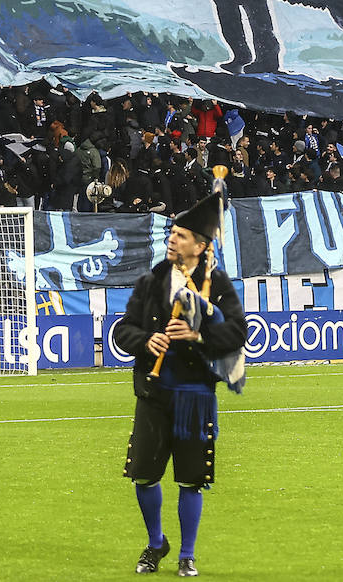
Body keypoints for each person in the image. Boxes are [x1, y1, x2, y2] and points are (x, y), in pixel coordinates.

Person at [115, 193, 247, 578]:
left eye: (181, 234)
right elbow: (124, 330)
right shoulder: (151, 280)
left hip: (195, 397)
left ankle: (187, 554)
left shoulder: (217, 284)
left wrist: (198, 337)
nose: (172, 239)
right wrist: (145, 341)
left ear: (201, 245)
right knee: (143, 475)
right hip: (153, 395)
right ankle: (156, 543)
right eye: (171, 232)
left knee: (191, 480)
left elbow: (237, 333)